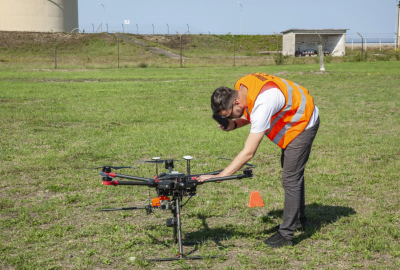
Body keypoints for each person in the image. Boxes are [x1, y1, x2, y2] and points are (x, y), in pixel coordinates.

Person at [197, 72, 320, 248]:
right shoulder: (243, 86)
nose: (231, 118)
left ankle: (286, 234)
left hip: (303, 123)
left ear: (235, 102)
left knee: (290, 177)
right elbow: (250, 112)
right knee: (291, 172)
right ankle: (298, 219)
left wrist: (220, 176)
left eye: (230, 116)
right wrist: (234, 124)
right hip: (292, 116)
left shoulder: (264, 103)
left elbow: (248, 153)